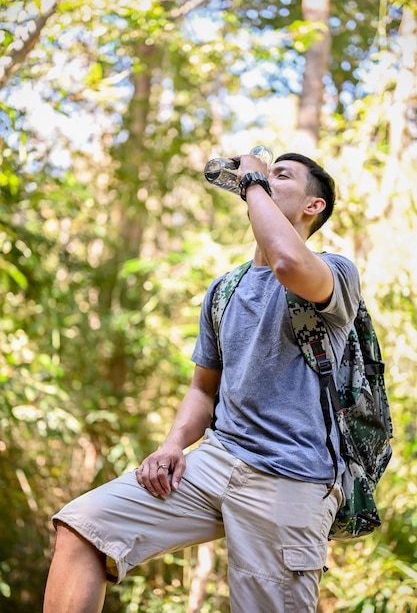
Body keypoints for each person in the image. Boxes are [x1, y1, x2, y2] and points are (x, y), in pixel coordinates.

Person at [43, 151, 361, 613]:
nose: (267, 179)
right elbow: (202, 389)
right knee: (84, 528)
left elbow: (288, 263)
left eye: (281, 175)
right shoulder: (224, 289)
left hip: (289, 477)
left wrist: (252, 177)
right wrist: (173, 444)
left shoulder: (336, 272)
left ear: (313, 206)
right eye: (265, 173)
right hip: (213, 461)